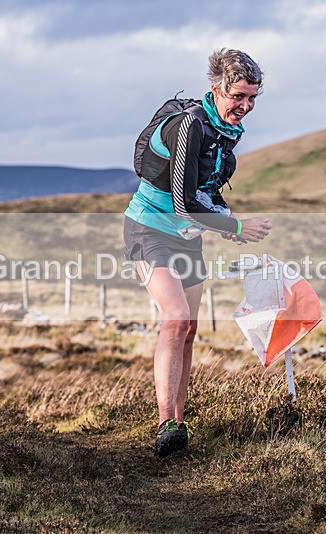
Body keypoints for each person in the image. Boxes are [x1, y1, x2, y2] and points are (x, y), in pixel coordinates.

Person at [123, 48, 272, 456]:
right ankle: (164, 422)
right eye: (238, 96)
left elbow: (205, 197)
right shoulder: (190, 125)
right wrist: (237, 226)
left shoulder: (224, 132)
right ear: (216, 89)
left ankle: (178, 425)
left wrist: (226, 221)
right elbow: (184, 202)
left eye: (252, 98)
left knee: (188, 329)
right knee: (174, 319)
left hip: (188, 236)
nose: (245, 106)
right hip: (149, 229)